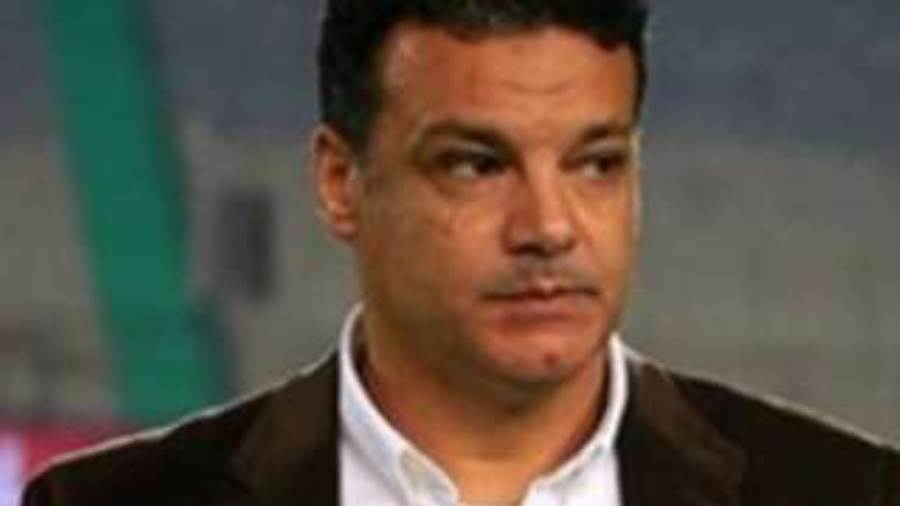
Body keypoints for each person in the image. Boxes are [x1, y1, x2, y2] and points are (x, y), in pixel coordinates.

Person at [23, 1, 900, 505]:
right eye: (477, 164)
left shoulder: (845, 493)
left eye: (596, 164)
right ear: (340, 181)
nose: (549, 226)